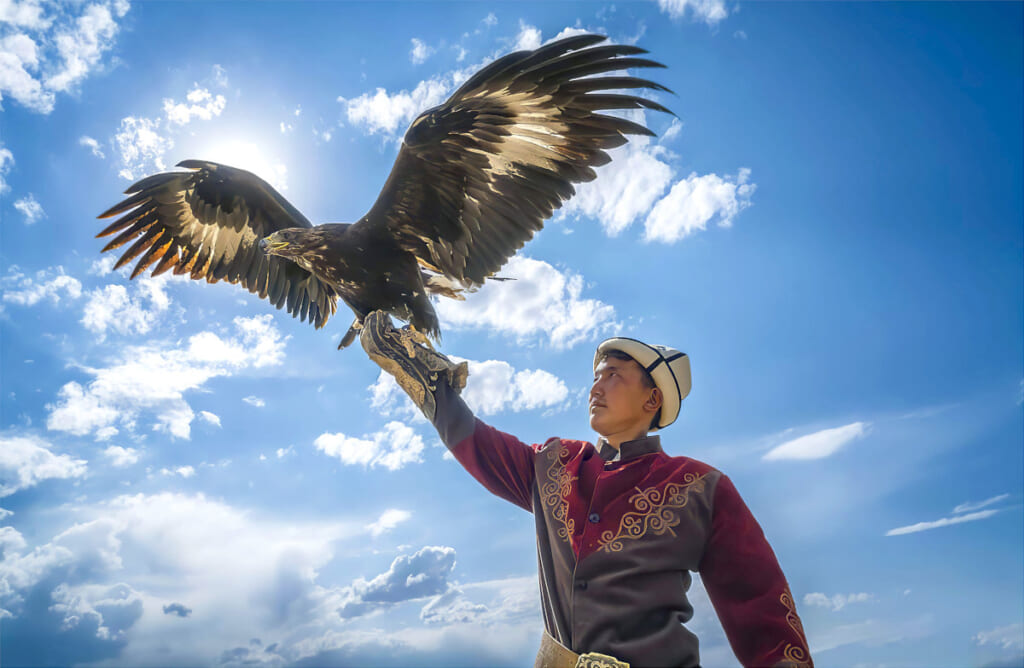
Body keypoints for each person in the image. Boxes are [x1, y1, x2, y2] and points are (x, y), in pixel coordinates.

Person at [359, 311, 813, 668]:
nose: (597, 384)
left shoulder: (700, 488)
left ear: (652, 399)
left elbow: (764, 612)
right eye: (597, 374)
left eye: (614, 374)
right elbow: (476, 441)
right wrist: (421, 372)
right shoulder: (553, 465)